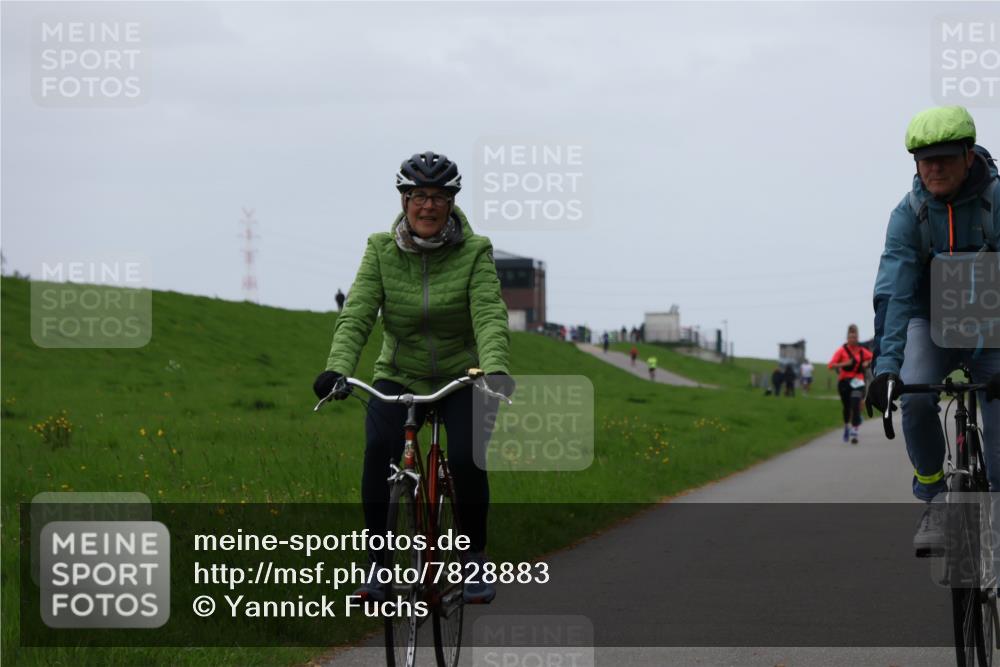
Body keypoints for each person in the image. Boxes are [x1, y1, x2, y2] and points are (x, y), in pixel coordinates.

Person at [312, 152, 514, 603]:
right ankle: (379, 566)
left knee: (466, 458)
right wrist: (338, 368)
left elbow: (488, 315)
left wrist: (496, 369)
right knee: (379, 450)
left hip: (463, 377)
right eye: (418, 195)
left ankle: (473, 559)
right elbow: (359, 312)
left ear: (452, 202)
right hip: (399, 375)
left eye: (439, 197)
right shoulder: (380, 250)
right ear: (403, 201)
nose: (428, 205)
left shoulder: (476, 251)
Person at [867, 106, 1000, 554]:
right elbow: (894, 296)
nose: (935, 168)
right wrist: (885, 370)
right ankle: (936, 496)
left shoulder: (996, 202)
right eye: (925, 160)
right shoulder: (908, 215)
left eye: (945, 157)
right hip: (930, 319)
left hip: (993, 324)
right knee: (916, 396)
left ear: (969, 156)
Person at [828, 325, 872, 444]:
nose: (853, 339)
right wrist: (844, 364)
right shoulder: (841, 351)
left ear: (857, 338)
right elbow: (831, 365)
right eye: (850, 337)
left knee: (855, 404)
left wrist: (867, 363)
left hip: (858, 380)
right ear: (847, 339)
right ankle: (847, 426)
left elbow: (873, 358)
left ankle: (855, 432)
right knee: (847, 407)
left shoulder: (862, 351)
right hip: (844, 381)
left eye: (855, 337)